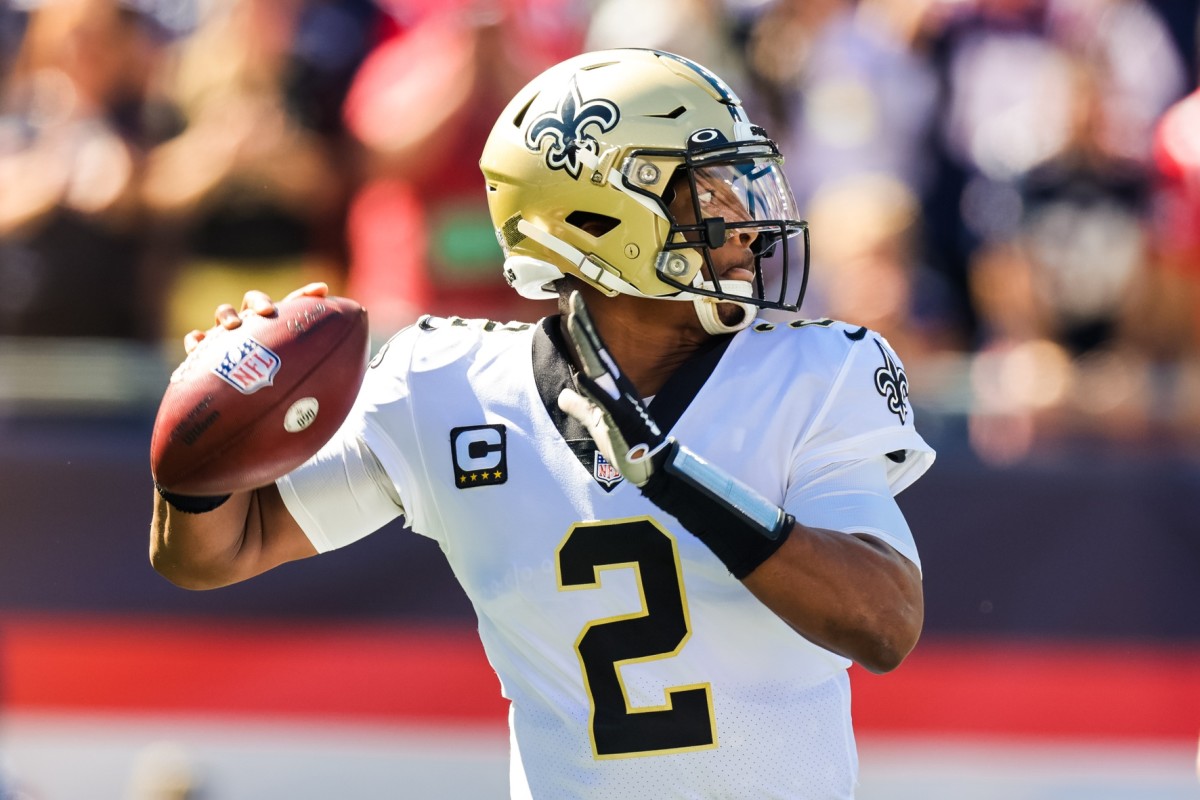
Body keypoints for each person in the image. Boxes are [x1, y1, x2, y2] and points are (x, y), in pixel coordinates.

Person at [150, 49, 935, 799]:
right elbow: (218, 553)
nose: (749, 222)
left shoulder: (815, 369)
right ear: (602, 215)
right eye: (711, 190)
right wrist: (205, 431)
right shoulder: (448, 384)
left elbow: (885, 622)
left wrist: (671, 476)